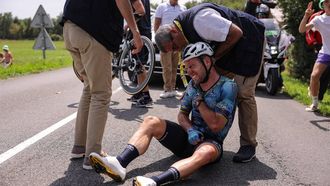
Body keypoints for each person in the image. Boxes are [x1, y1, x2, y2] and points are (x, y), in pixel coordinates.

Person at [89, 42, 237, 186]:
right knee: (151, 121)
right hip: (189, 138)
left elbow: (216, 125)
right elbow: (182, 114)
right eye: (186, 67)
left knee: (206, 152)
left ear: (206, 61)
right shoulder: (193, 84)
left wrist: (199, 102)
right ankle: (119, 163)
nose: (189, 72)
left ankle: (154, 182)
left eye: (192, 66)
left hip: (211, 143)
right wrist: (190, 129)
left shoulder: (227, 86)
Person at [154, 2, 265, 163]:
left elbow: (236, 32)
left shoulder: (200, 21)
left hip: (249, 41)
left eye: (175, 47)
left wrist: (213, 59)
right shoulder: (183, 31)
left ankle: (248, 145)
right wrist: (193, 87)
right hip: (229, 47)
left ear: (173, 31)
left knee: (243, 93)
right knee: (207, 81)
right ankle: (201, 132)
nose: (177, 51)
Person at [61, 0, 143, 169]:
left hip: (71, 27)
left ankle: (79, 147)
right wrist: (135, 30)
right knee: (101, 94)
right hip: (93, 31)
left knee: (89, 89)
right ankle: (93, 154)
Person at [299, 0, 330, 112]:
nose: (329, 2)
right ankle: (315, 104)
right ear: (323, 5)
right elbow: (302, 30)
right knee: (314, 76)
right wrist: (306, 16)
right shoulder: (318, 19)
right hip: (326, 52)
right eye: (326, 1)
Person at [154, 0, 186, 98]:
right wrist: (160, 42)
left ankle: (173, 88)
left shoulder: (183, 8)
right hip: (165, 42)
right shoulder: (162, 7)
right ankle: (167, 89)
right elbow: (156, 26)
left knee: (175, 67)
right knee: (167, 67)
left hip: (177, 43)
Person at [127, 0, 154, 107]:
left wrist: (129, 23)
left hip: (140, 32)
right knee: (137, 64)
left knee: (139, 64)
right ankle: (139, 93)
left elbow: (140, 11)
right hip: (143, 31)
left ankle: (146, 96)